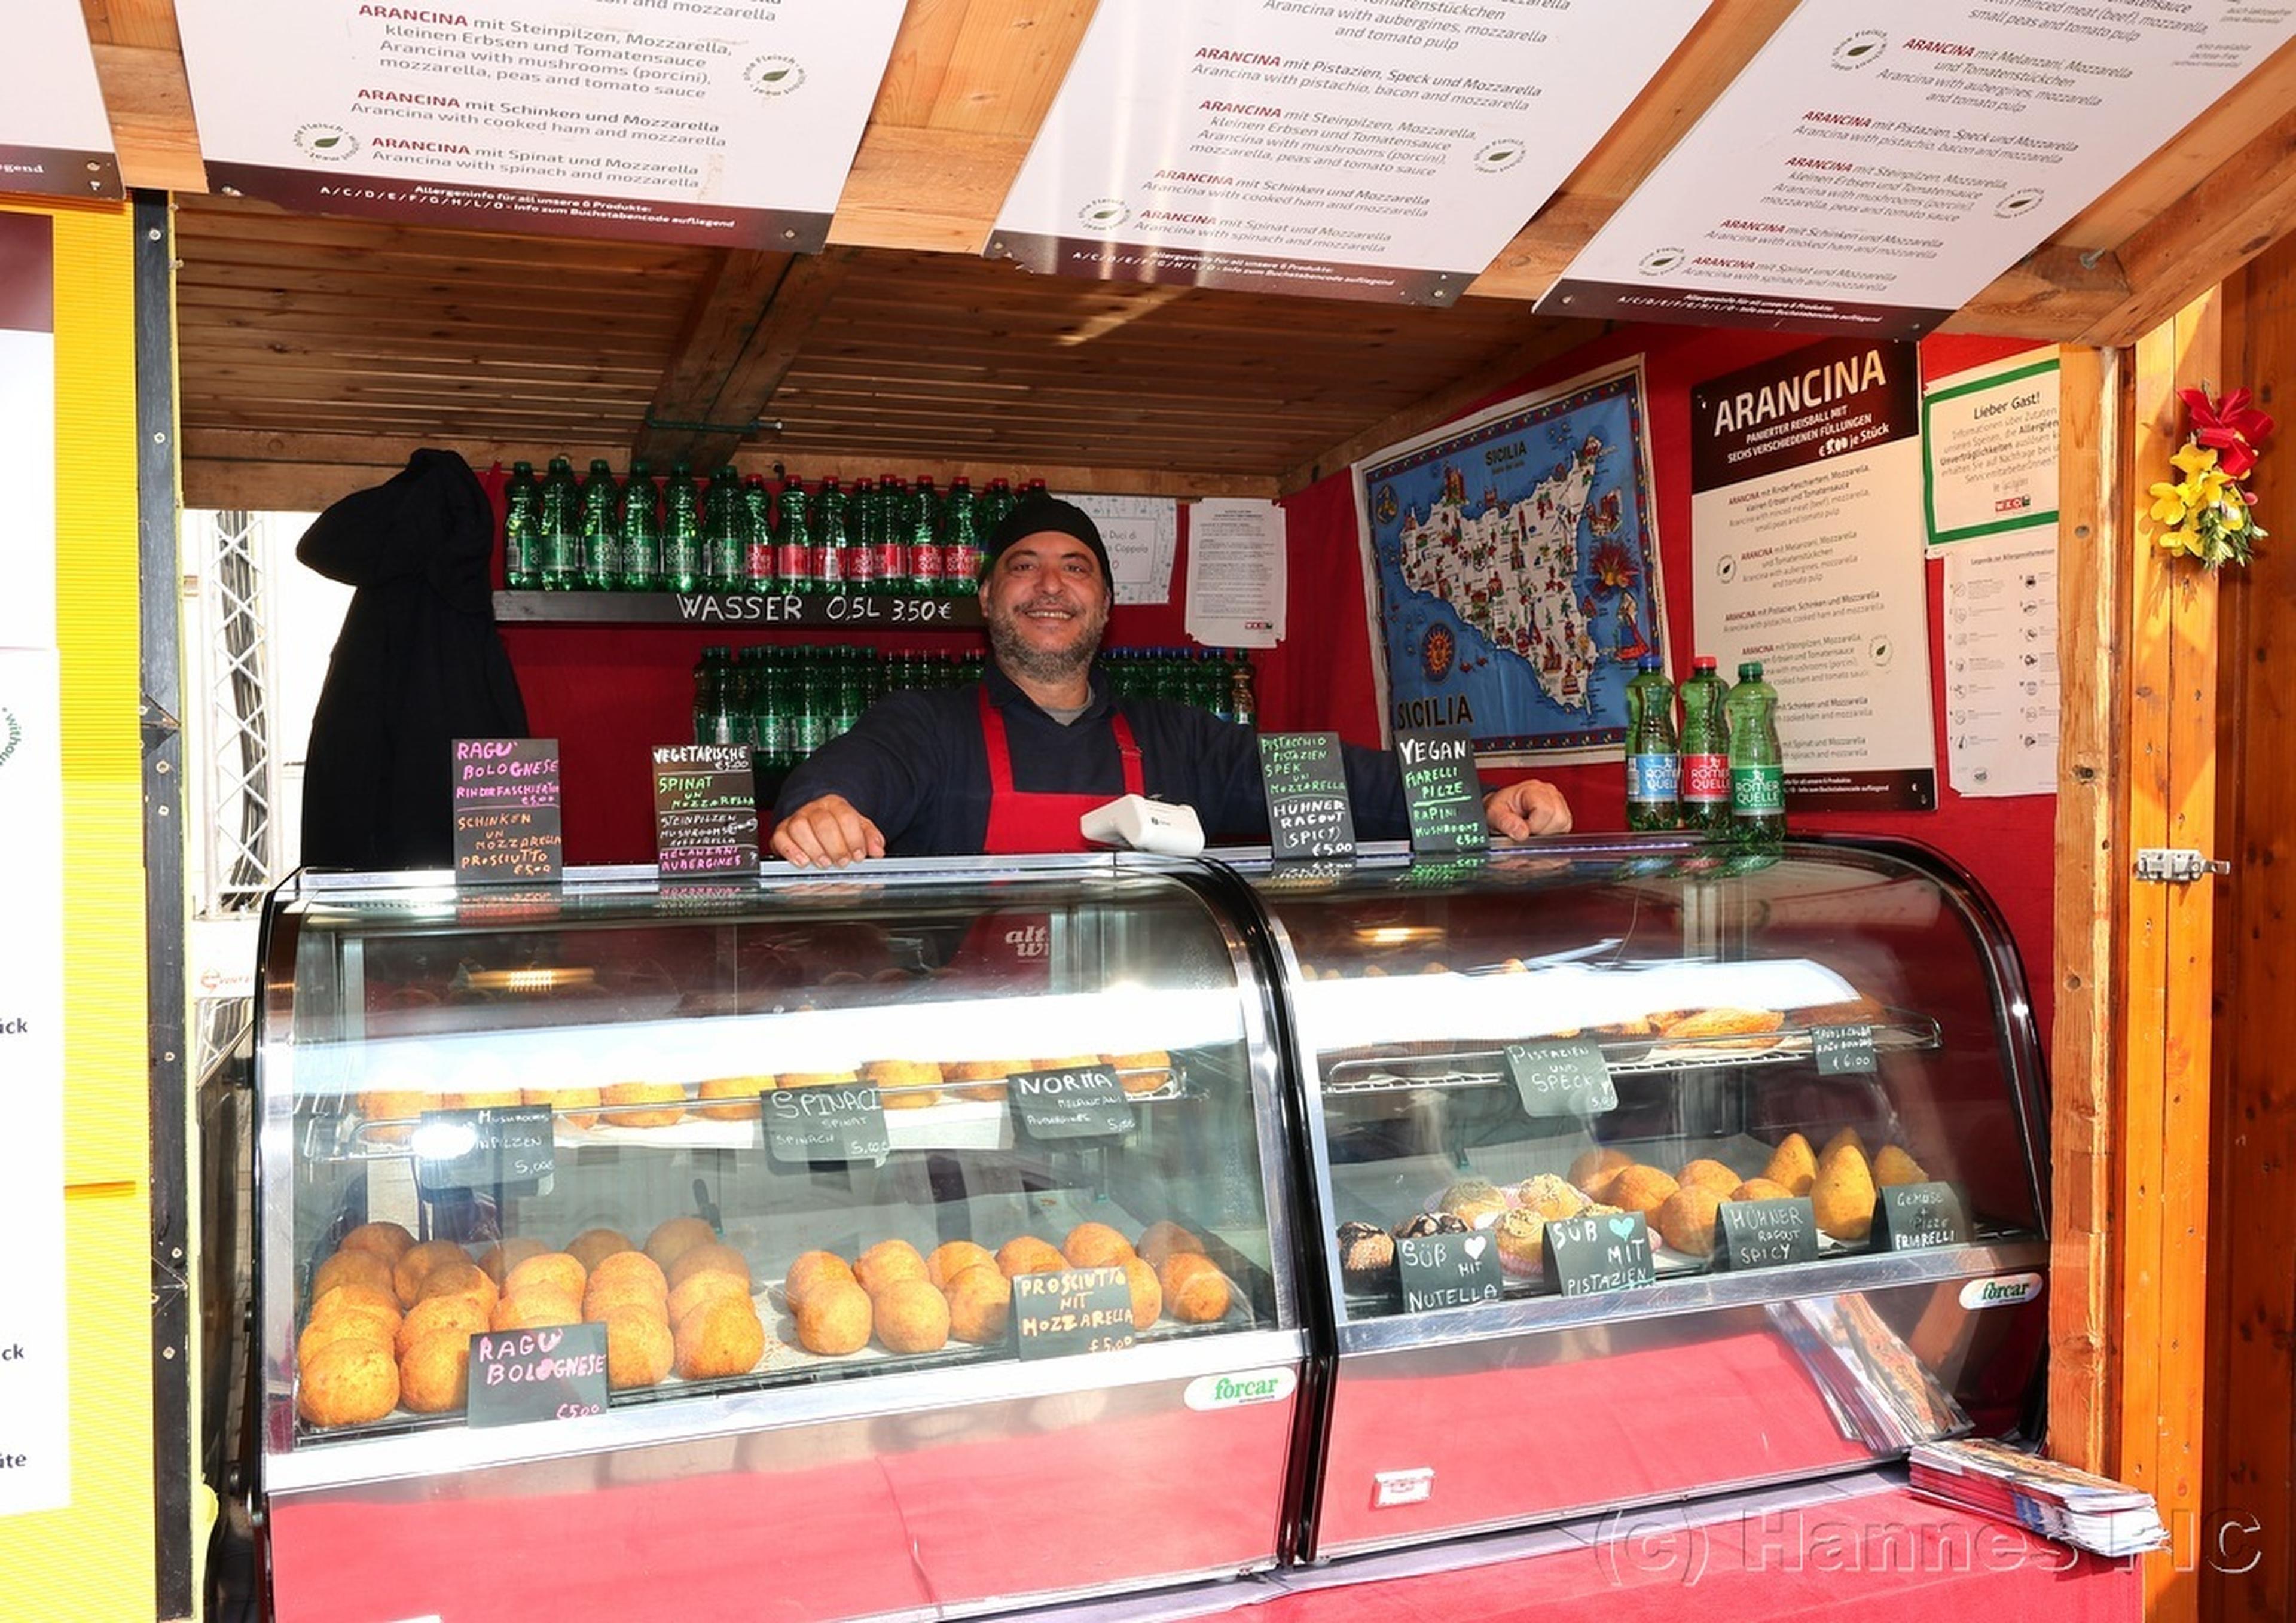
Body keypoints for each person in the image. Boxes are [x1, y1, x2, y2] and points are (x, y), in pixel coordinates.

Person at [770, 496, 1570, 865]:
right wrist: (822, 806)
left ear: (1106, 605)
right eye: (1023, 566)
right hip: (966, 1084)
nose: (1050, 586)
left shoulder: (1177, 738)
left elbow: (1336, 782)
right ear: (986, 598)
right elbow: (847, 773)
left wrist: (1486, 797)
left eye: (1074, 568)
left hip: (1144, 1068)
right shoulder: (926, 728)